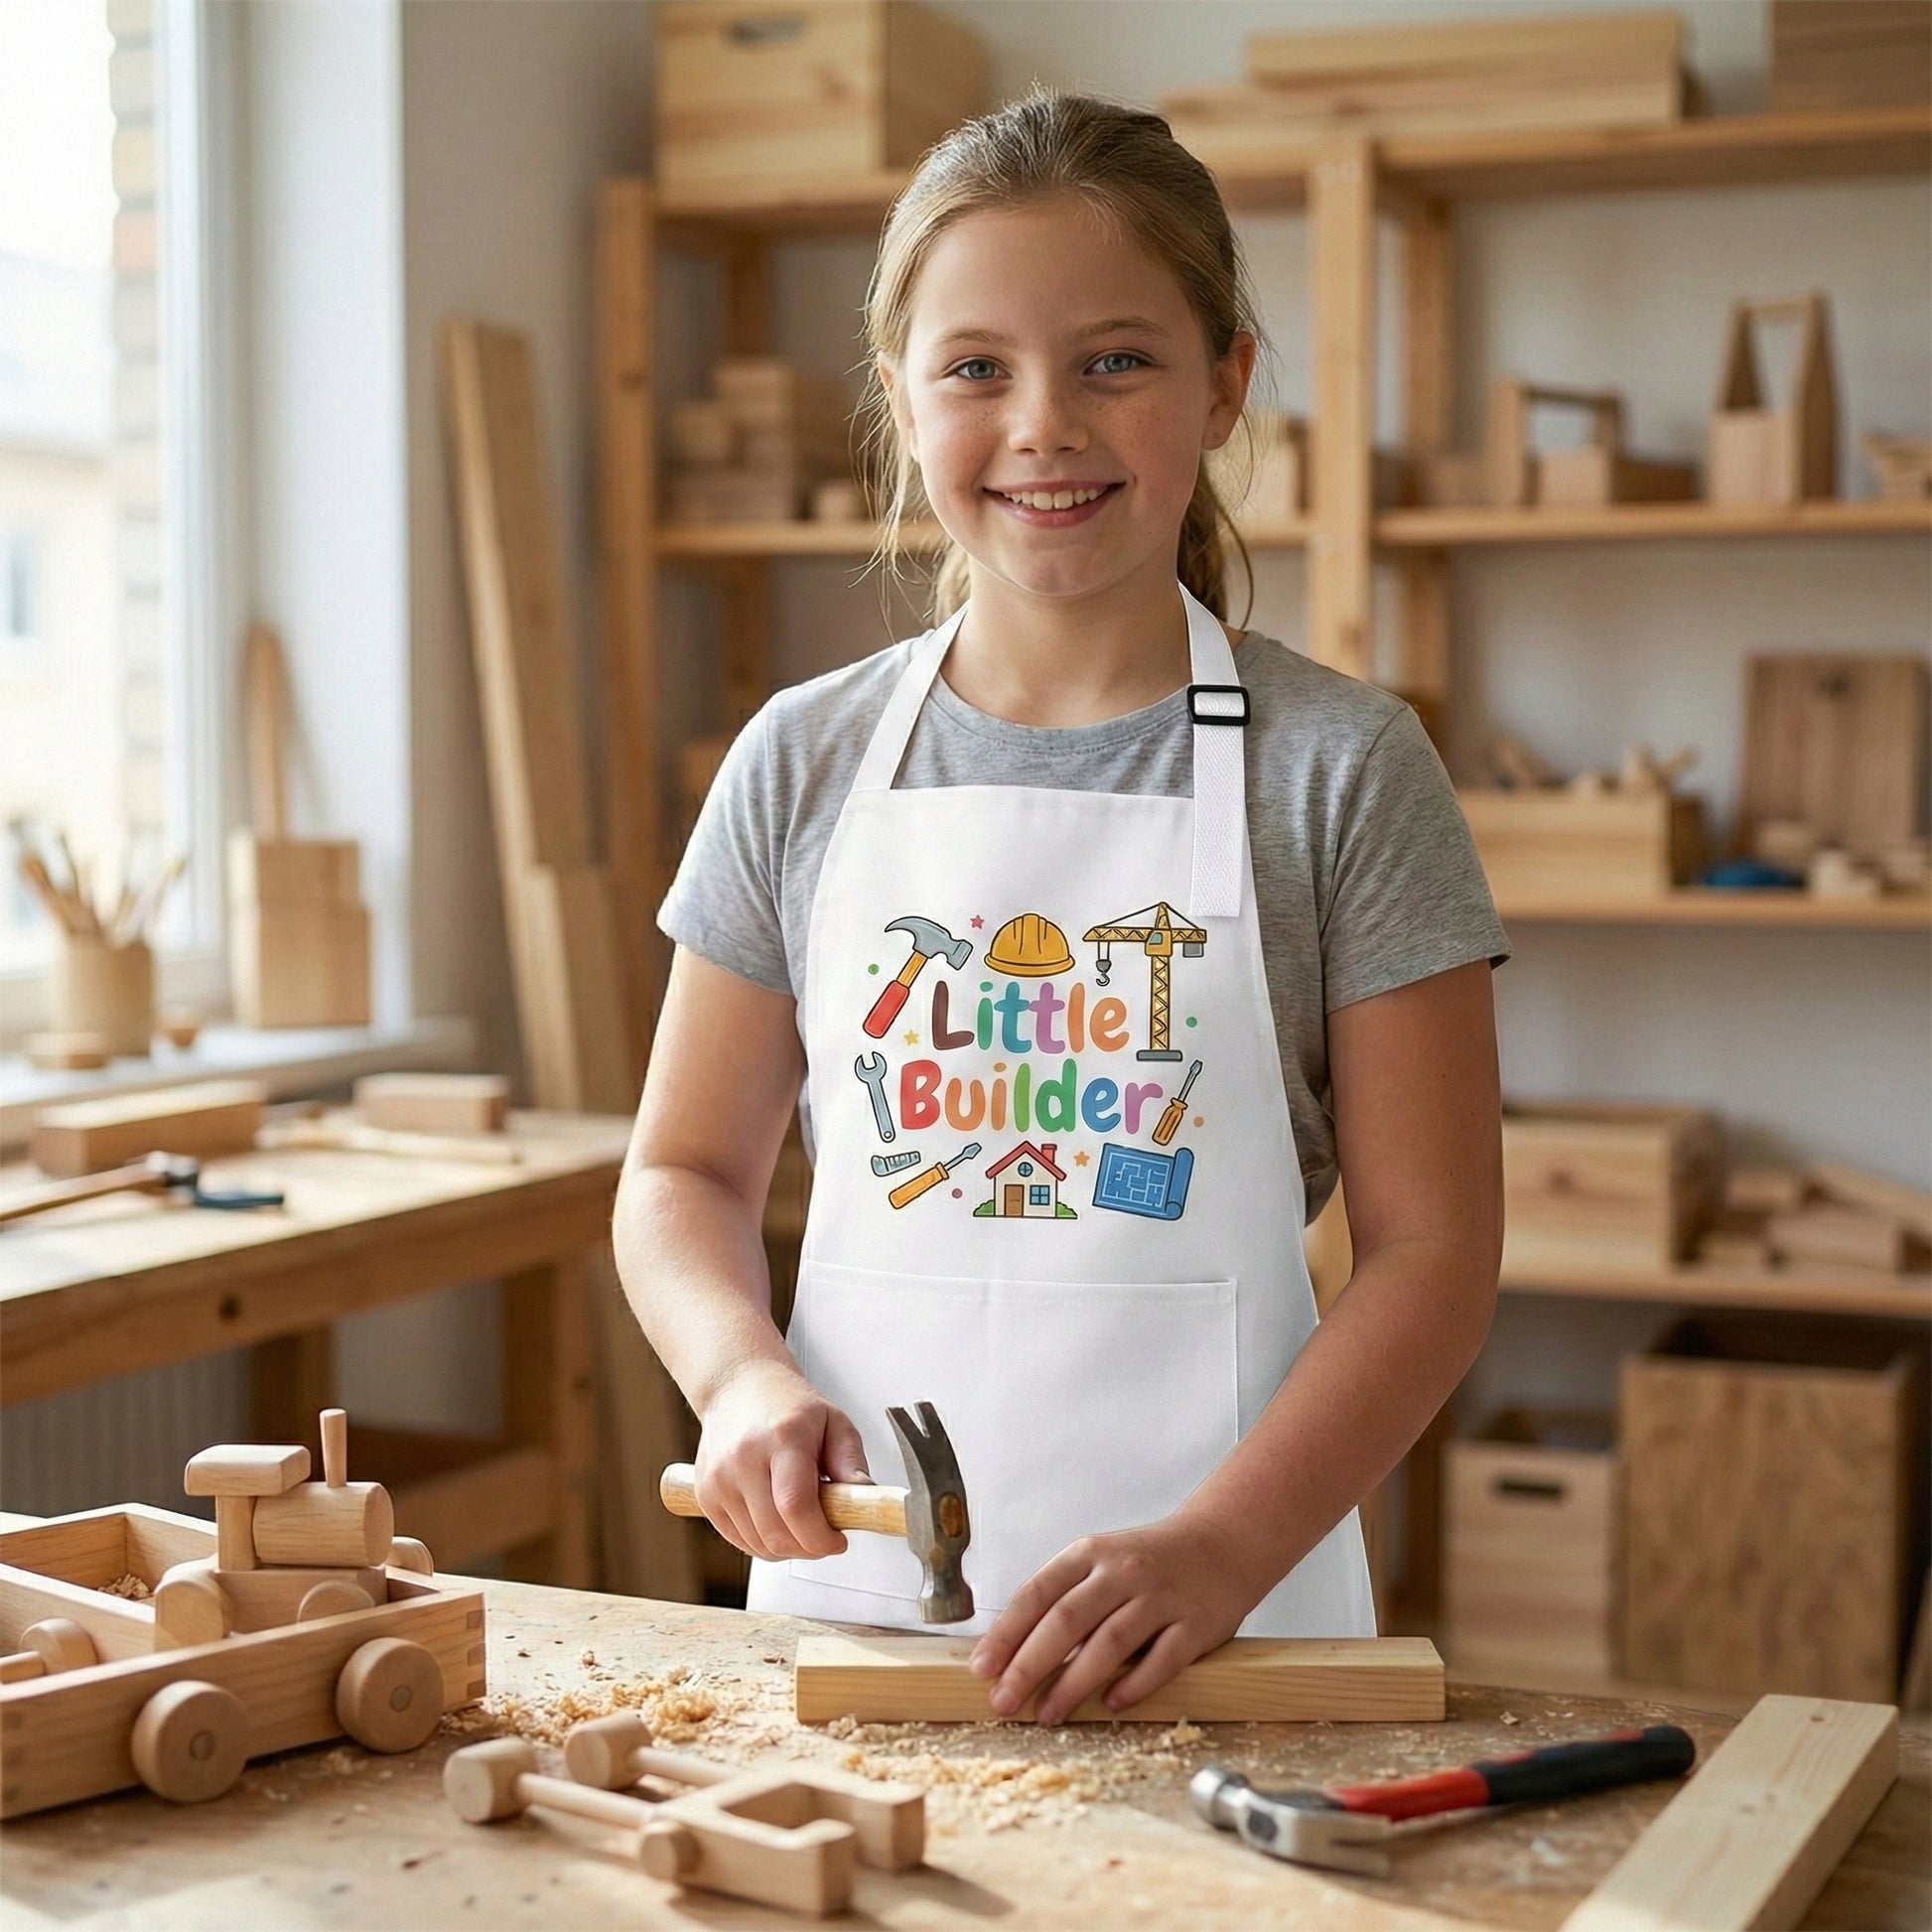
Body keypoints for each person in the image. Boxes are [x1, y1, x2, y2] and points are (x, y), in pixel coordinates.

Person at [615, 91, 1506, 1726]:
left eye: (1115, 359)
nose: (1044, 423)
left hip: (1227, 1628)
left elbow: (1434, 1253)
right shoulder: (800, 762)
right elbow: (679, 1172)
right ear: (899, 395)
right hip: (855, 1615)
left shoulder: (1342, 771)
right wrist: (737, 1375)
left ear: (1225, 381)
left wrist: (1214, 1552)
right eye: (975, 369)